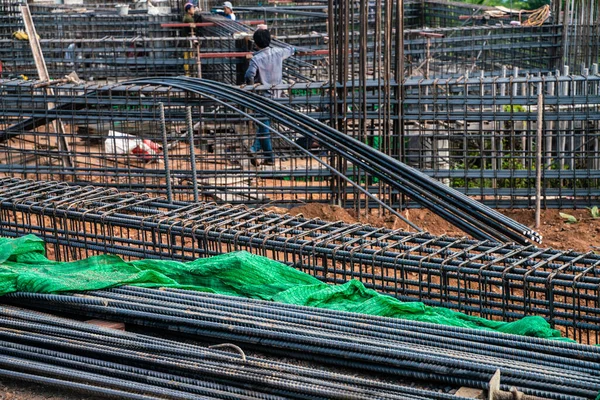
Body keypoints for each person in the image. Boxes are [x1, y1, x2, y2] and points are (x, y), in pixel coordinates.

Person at [244, 29, 294, 166]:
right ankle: (256, 150)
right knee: (263, 126)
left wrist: (252, 86)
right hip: (278, 96)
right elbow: (291, 49)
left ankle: (266, 155)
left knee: (264, 126)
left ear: (256, 43)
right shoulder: (278, 52)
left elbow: (249, 75)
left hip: (263, 97)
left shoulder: (256, 59)